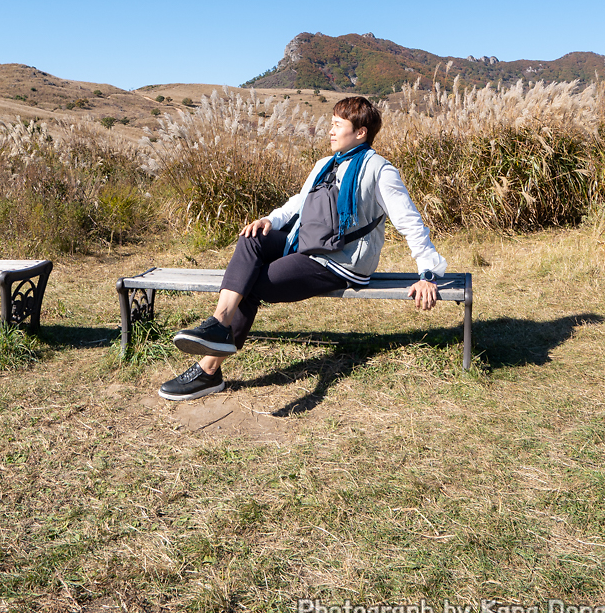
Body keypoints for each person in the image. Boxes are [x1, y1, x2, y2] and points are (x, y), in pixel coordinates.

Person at [159, 95, 448, 401]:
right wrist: (269, 219)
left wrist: (427, 273)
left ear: (361, 132)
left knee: (251, 283)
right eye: (331, 124)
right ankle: (218, 325)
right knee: (252, 238)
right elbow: (300, 202)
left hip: (340, 262)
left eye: (338, 125)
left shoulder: (380, 170)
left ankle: (208, 371)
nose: (331, 131)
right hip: (305, 243)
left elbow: (409, 221)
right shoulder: (325, 164)